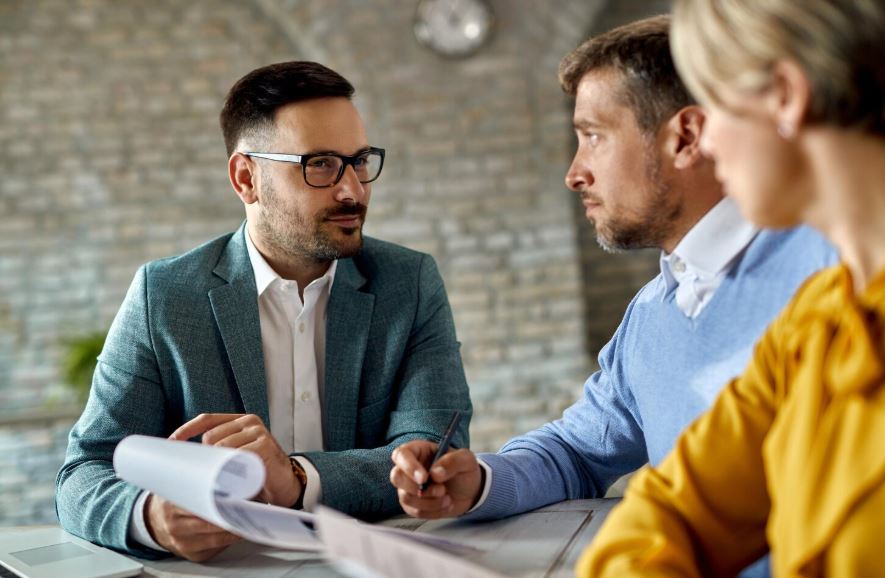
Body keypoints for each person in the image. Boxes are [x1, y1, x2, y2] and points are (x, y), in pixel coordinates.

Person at [389, 15, 836, 577]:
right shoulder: (652, 312)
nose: (574, 174)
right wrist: (479, 481)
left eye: (594, 136)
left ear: (686, 138)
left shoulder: (833, 269)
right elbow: (577, 452)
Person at [55, 61, 472, 562]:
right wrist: (150, 517)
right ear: (246, 178)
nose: (353, 190)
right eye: (320, 164)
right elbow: (84, 473)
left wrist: (299, 478)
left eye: (359, 160)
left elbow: (432, 452)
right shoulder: (164, 296)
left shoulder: (409, 283)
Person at [580, 1, 885, 576]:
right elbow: (673, 509)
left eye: (714, 103)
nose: (708, 142)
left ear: (785, 97)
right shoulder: (816, 324)